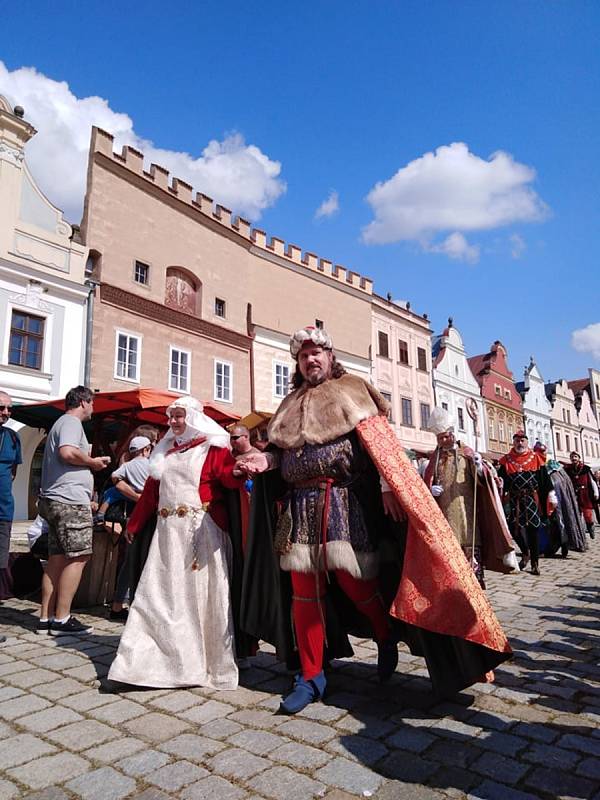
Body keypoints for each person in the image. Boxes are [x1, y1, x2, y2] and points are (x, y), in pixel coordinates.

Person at [238, 326, 511, 714]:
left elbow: (382, 446)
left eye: (317, 353)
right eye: (303, 355)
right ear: (297, 362)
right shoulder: (289, 403)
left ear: (330, 357)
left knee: (355, 584)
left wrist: (387, 484)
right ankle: (311, 676)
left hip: (343, 505)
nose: (311, 359)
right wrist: (265, 460)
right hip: (299, 509)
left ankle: (384, 635)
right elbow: (284, 455)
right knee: (304, 592)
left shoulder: (352, 390)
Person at [108, 396, 246, 689]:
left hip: (200, 533)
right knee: (157, 596)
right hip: (166, 533)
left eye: (179, 416)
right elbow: (150, 493)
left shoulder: (214, 446)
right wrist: (134, 524)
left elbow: (227, 477)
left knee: (198, 598)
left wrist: (238, 470)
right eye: (171, 418)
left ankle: (202, 662)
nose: (173, 422)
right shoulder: (164, 451)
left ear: (193, 418)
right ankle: (143, 662)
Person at [37, 386, 111, 635]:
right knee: (78, 556)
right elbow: (67, 452)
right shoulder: (71, 422)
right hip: (68, 501)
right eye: (92, 403)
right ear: (82, 402)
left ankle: (45, 617)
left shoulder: (61, 423)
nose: (93, 408)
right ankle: (62, 619)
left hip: (55, 499)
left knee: (57, 558)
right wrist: (92, 462)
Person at [423, 407, 517, 588]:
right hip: (444, 514)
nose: (443, 441)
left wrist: (479, 466)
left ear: (452, 434)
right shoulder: (435, 457)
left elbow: (484, 481)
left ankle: (475, 583)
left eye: (445, 437)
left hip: (467, 512)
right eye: (439, 438)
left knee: (470, 548)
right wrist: (429, 489)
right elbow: (426, 481)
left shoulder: (466, 453)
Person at [103, 436, 153, 621]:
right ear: (146, 449)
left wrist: (131, 494)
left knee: (130, 560)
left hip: (132, 512)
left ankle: (118, 603)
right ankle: (139, 605)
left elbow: (114, 477)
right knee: (146, 559)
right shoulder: (151, 465)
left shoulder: (128, 466)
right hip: (150, 512)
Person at [498, 431, 557, 576]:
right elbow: (500, 480)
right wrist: (499, 482)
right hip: (515, 500)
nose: (520, 443)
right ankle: (525, 552)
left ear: (526, 442)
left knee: (533, 530)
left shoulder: (536, 458)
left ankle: (535, 563)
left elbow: (544, 480)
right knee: (513, 528)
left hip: (532, 498)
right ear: (513, 442)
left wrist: (551, 494)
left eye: (522, 440)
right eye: (517, 440)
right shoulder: (506, 460)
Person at [0, 390, 21, 641]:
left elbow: (12, 474)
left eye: (8, 408)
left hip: (3, 511)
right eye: (1, 408)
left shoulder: (13, 439)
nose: (5, 412)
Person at [565, 451, 598, 541]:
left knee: (587, 514)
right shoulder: (568, 469)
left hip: (585, 494)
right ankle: (580, 534)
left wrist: (596, 493)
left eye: (575, 456)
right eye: (572, 457)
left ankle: (590, 525)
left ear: (579, 458)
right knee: (576, 515)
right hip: (574, 494)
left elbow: (592, 481)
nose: (574, 458)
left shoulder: (586, 469)